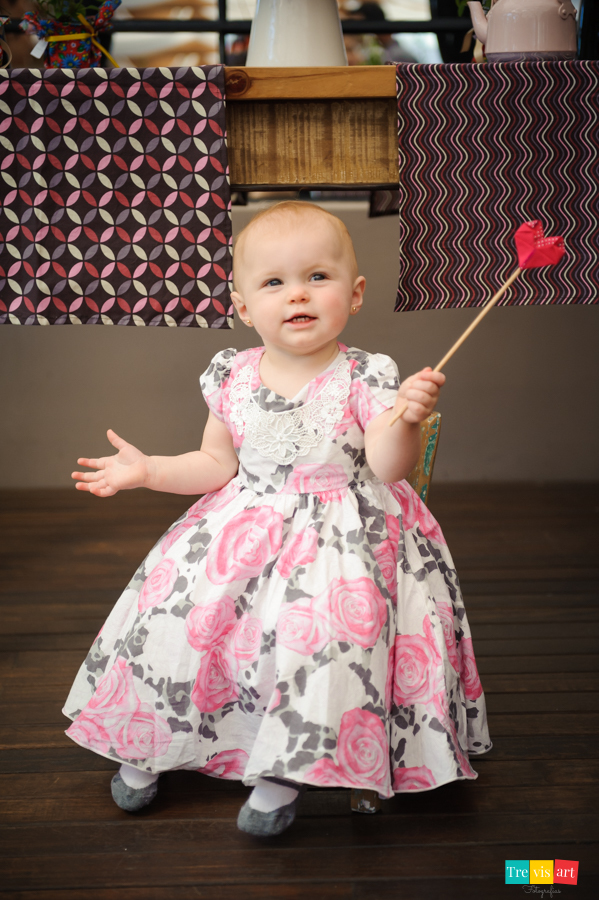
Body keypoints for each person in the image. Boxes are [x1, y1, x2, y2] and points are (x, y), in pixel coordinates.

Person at [64, 201, 491, 837]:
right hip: (243, 525)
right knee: (178, 619)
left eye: (318, 277)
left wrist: (405, 417)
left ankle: (283, 772)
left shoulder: (366, 375)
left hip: (344, 534)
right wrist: (149, 470)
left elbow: (388, 465)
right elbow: (214, 464)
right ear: (242, 306)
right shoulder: (230, 374)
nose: (297, 294)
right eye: (274, 282)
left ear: (356, 292)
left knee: (317, 640)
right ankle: (147, 740)